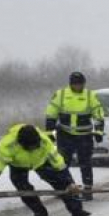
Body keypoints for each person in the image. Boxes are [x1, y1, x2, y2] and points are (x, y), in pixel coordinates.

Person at [0, 124, 90, 216]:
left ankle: (77, 211)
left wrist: (69, 182)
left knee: (62, 184)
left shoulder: (44, 142)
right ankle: (40, 214)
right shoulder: (8, 145)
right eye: (29, 147)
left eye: (34, 145)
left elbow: (58, 163)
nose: (32, 148)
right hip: (18, 165)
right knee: (24, 190)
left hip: (41, 162)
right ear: (20, 143)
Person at [45, 71, 104, 200]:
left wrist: (99, 131)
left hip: (84, 135)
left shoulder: (90, 95)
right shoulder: (61, 95)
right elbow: (51, 113)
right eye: (75, 84)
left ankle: (87, 190)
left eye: (80, 84)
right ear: (70, 84)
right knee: (62, 163)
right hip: (65, 134)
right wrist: (49, 131)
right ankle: (64, 188)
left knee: (85, 163)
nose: (78, 86)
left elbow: (98, 113)